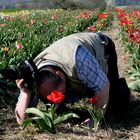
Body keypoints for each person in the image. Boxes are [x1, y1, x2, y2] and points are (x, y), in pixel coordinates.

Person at [15, 32, 130, 125]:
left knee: (115, 104)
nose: (52, 101)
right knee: (60, 109)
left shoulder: (79, 60)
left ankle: (120, 89)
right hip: (70, 58)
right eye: (47, 98)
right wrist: (25, 92)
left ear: (59, 75)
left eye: (54, 94)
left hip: (101, 46)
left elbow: (104, 86)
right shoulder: (34, 75)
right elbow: (21, 121)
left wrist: (95, 119)